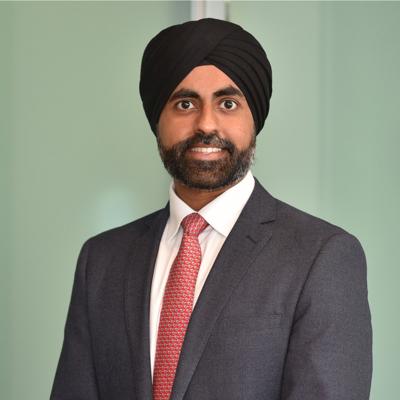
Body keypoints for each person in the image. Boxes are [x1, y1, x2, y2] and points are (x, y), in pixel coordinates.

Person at [50, 18, 372, 400]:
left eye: (227, 104)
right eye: (185, 104)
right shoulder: (102, 261)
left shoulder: (321, 257)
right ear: (158, 120)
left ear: (254, 119)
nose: (206, 124)